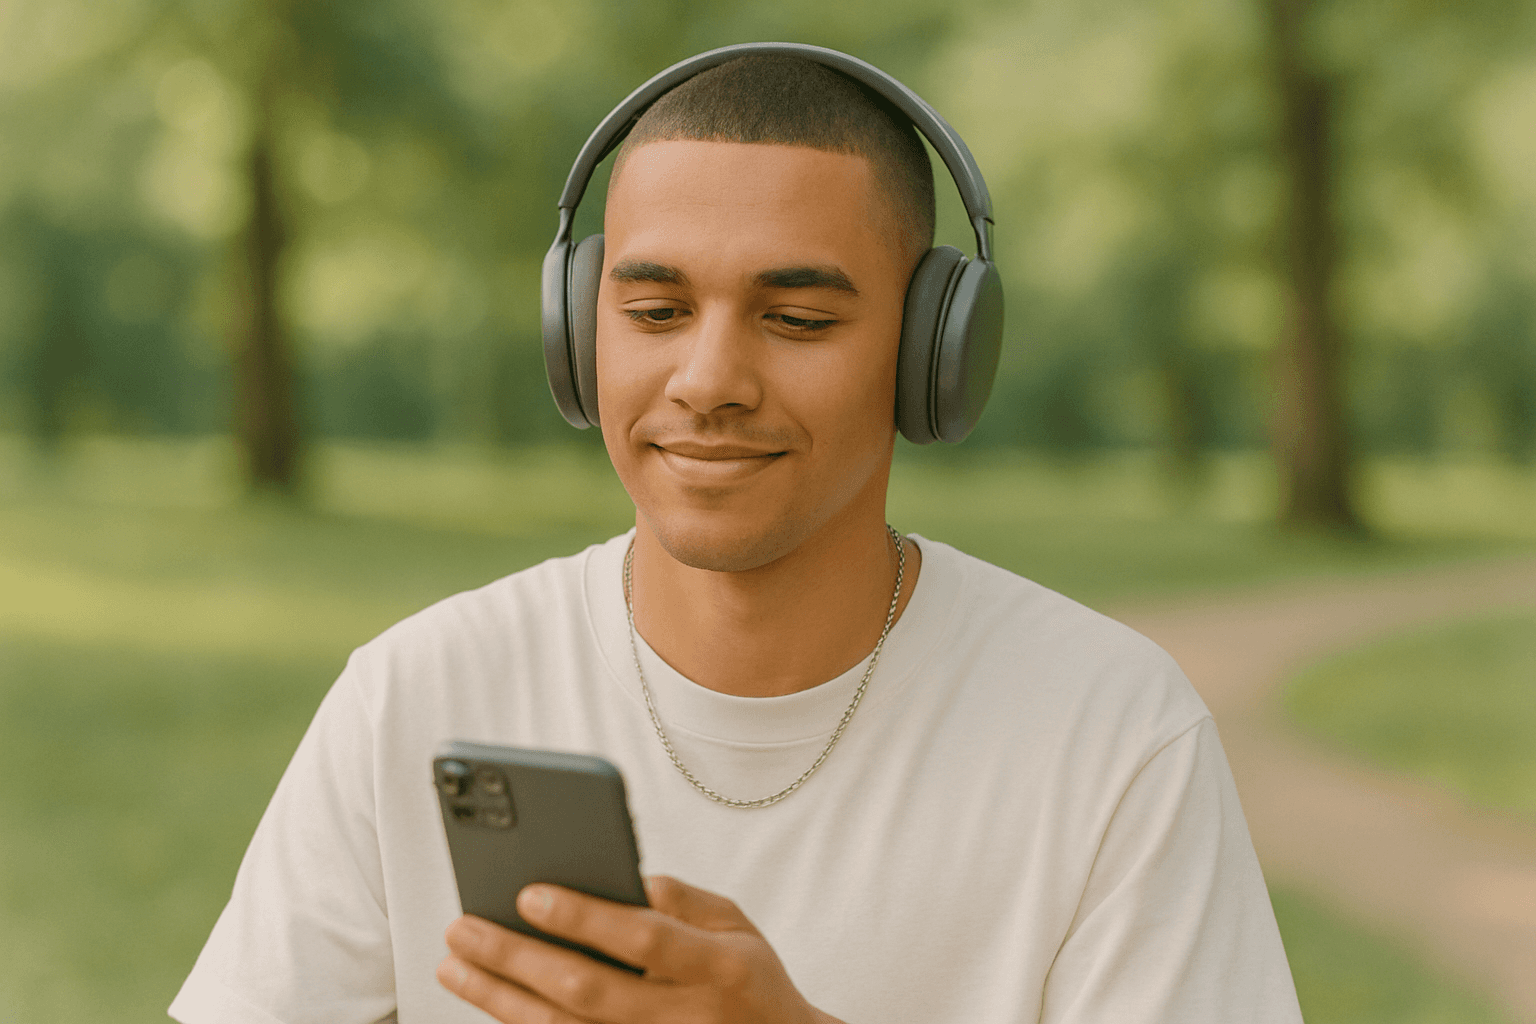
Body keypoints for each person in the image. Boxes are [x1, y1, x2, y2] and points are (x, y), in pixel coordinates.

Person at [170, 45, 1304, 1024]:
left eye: (798, 319)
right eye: (654, 312)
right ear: (577, 333)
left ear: (934, 357)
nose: (708, 381)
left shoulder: (1113, 734)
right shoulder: (412, 695)